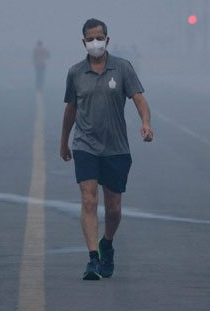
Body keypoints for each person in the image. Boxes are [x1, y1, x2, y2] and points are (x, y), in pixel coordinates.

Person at [60, 18, 152, 281]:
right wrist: (64, 141)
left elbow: (140, 99)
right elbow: (70, 110)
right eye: (90, 39)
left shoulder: (122, 69)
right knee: (89, 199)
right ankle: (93, 259)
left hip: (116, 148)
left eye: (99, 37)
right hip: (85, 145)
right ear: (84, 42)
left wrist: (146, 124)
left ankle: (107, 244)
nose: (95, 42)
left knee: (113, 209)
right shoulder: (76, 73)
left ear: (107, 40)